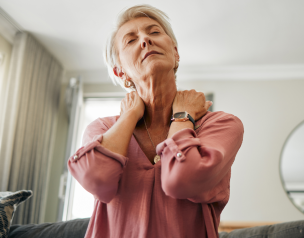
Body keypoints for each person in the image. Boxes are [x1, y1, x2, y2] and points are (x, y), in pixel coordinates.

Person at [68, 4, 244, 238]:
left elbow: (181, 181)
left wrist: (182, 118)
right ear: (121, 72)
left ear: (176, 52)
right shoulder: (102, 129)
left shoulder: (221, 125)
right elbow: (97, 180)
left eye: (154, 32)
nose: (145, 41)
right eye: (131, 40)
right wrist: (130, 114)